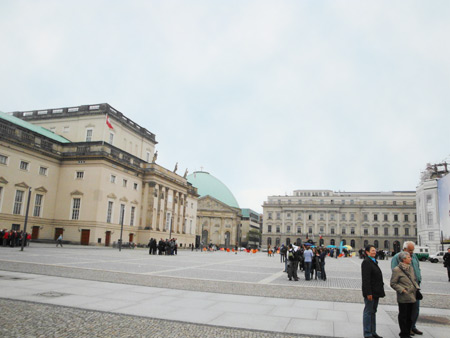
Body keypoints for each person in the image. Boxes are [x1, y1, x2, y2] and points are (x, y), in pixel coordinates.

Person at [391, 241, 423, 336]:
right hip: (405, 289)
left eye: (413, 250)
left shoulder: (414, 256)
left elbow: (417, 268)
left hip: (415, 287)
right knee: (405, 312)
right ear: (405, 249)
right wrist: (402, 289)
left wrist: (418, 280)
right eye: (410, 250)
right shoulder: (397, 257)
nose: (412, 252)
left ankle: (412, 327)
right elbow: (394, 274)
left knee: (415, 309)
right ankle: (406, 330)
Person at [361, 244, 385, 338]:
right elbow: (366, 279)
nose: (374, 252)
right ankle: (367, 333)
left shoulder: (373, 261)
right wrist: (368, 293)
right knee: (368, 311)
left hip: (376, 291)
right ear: (367, 252)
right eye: (372, 250)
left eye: (375, 250)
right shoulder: (366, 262)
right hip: (370, 292)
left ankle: (373, 332)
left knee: (373, 311)